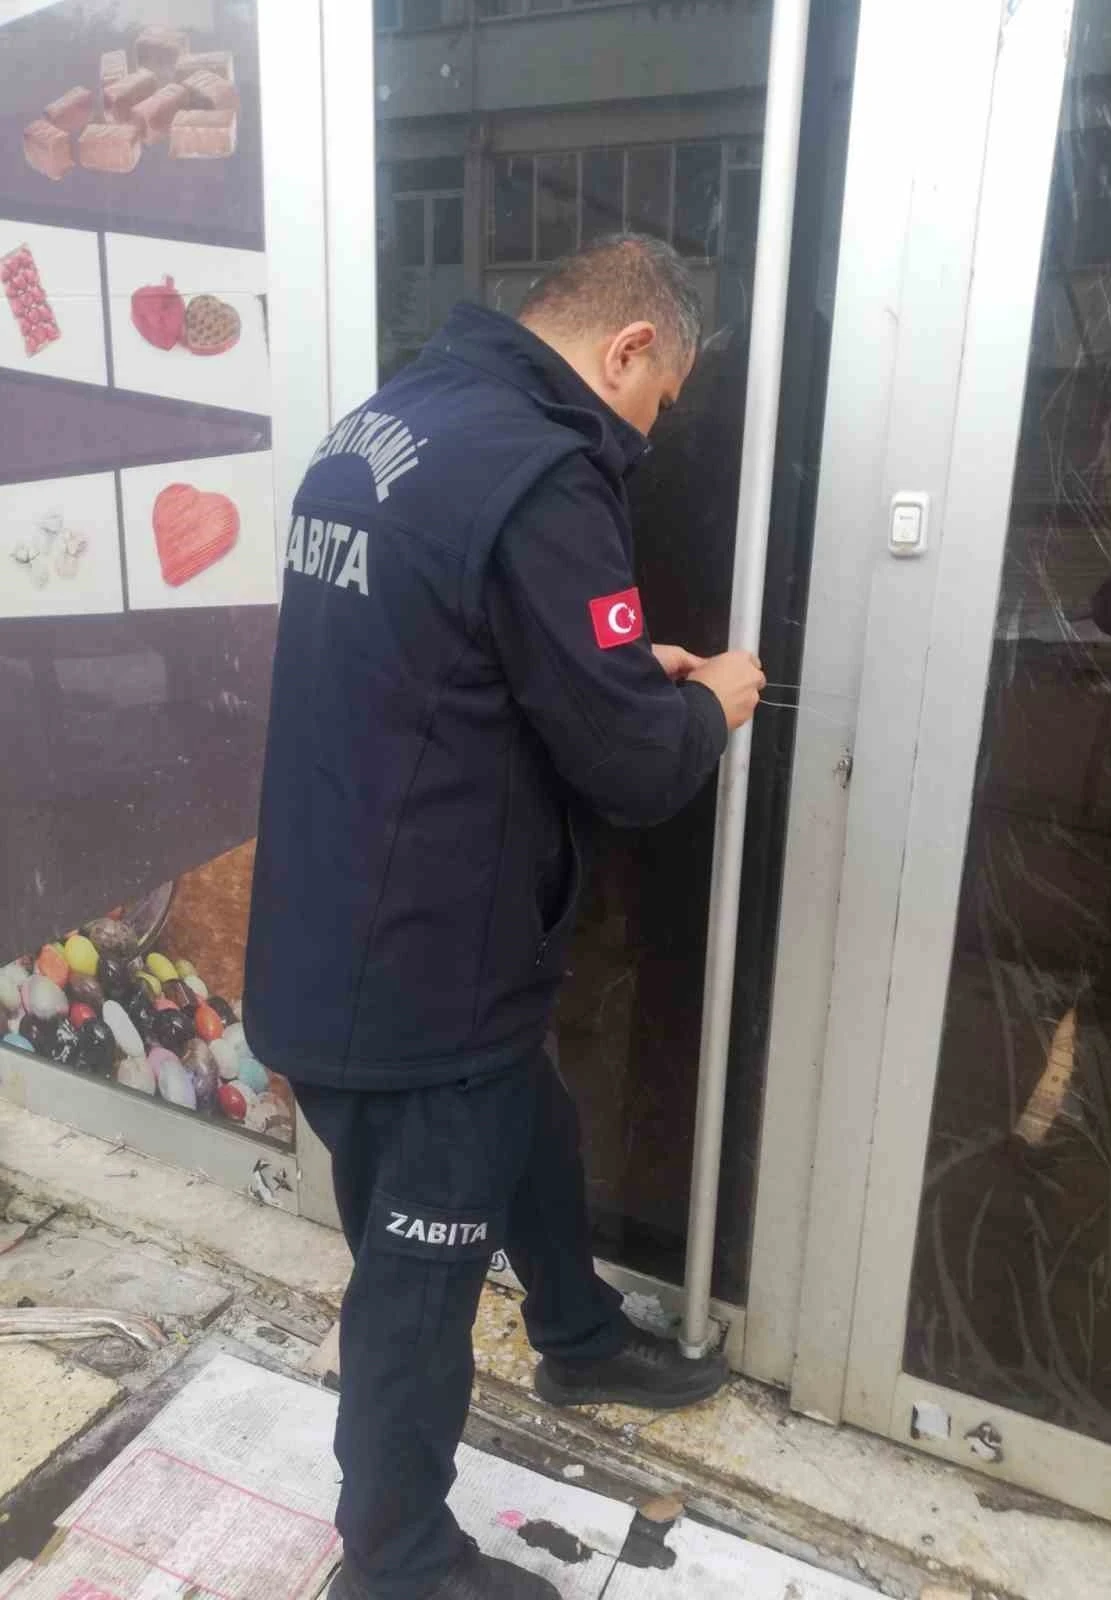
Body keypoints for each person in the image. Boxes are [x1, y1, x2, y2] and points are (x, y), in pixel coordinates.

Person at [243, 235, 765, 1600]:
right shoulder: (543, 470)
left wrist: (614, 665)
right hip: (423, 974)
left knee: (533, 1121)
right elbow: (634, 768)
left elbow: (441, 650)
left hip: (345, 918)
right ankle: (397, 1560)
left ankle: (578, 1337)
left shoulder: (387, 425)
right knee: (417, 1283)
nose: (650, 433)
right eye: (659, 402)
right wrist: (712, 703)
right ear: (629, 348)